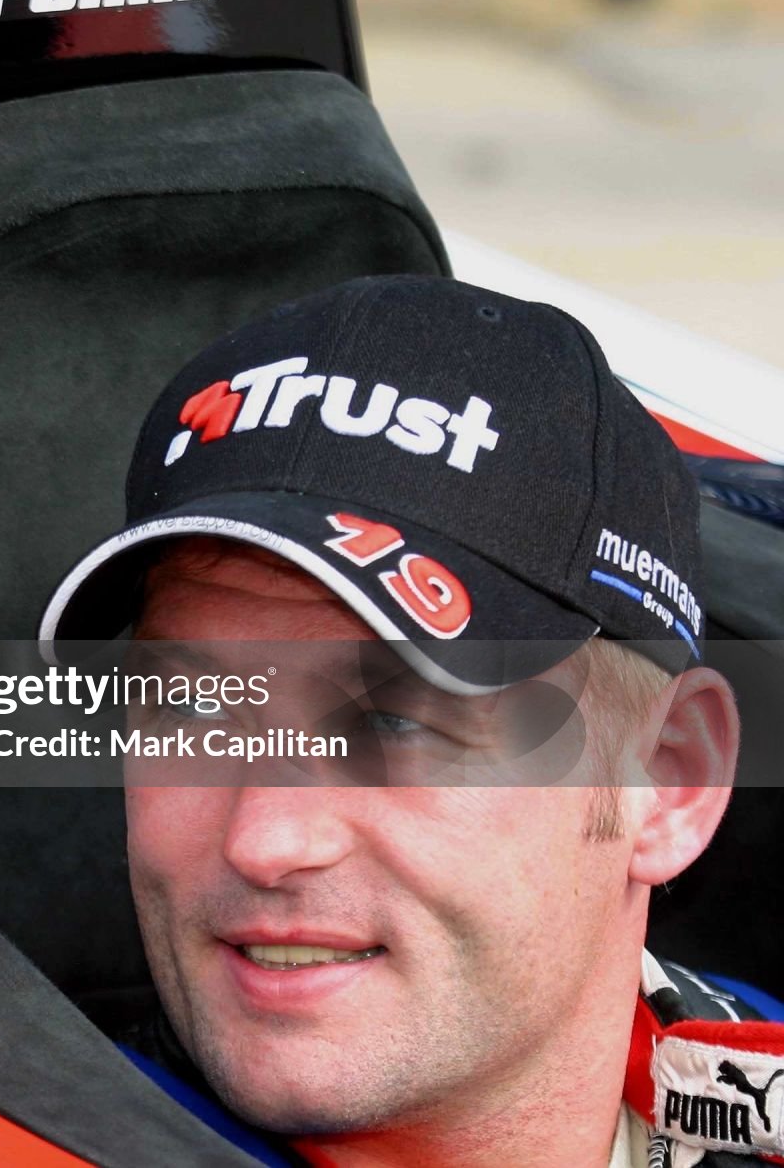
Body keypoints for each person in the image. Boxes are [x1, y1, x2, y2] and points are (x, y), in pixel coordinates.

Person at [38, 275, 773, 1167]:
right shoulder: (8, 1131)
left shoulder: (744, 1066)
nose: (264, 840)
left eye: (393, 719)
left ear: (668, 781)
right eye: (195, 705)